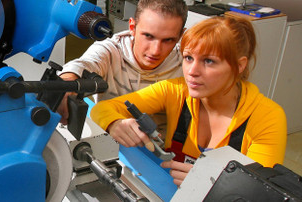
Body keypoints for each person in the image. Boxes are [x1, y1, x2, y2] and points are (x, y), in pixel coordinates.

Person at [90, 16, 287, 186]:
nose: (192, 71)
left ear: (239, 65)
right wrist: (115, 123)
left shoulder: (267, 117)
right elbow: (103, 108)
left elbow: (260, 190)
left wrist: (215, 184)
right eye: (188, 58)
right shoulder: (175, 91)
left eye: (209, 61)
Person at [57, 0, 188, 124]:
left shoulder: (187, 62)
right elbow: (85, 63)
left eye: (168, 40)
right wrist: (68, 81)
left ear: (181, 35)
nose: (155, 50)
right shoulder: (111, 50)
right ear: (132, 27)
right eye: (148, 36)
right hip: (111, 140)